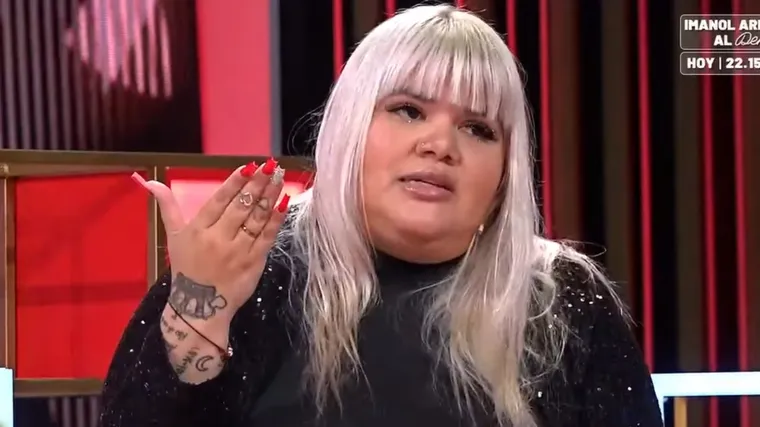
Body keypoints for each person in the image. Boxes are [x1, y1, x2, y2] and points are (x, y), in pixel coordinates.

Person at [98, 5, 663, 427]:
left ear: (503, 178)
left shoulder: (559, 299)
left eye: (477, 128)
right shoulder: (256, 269)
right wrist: (199, 309)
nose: (440, 145)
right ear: (350, 129)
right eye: (408, 110)